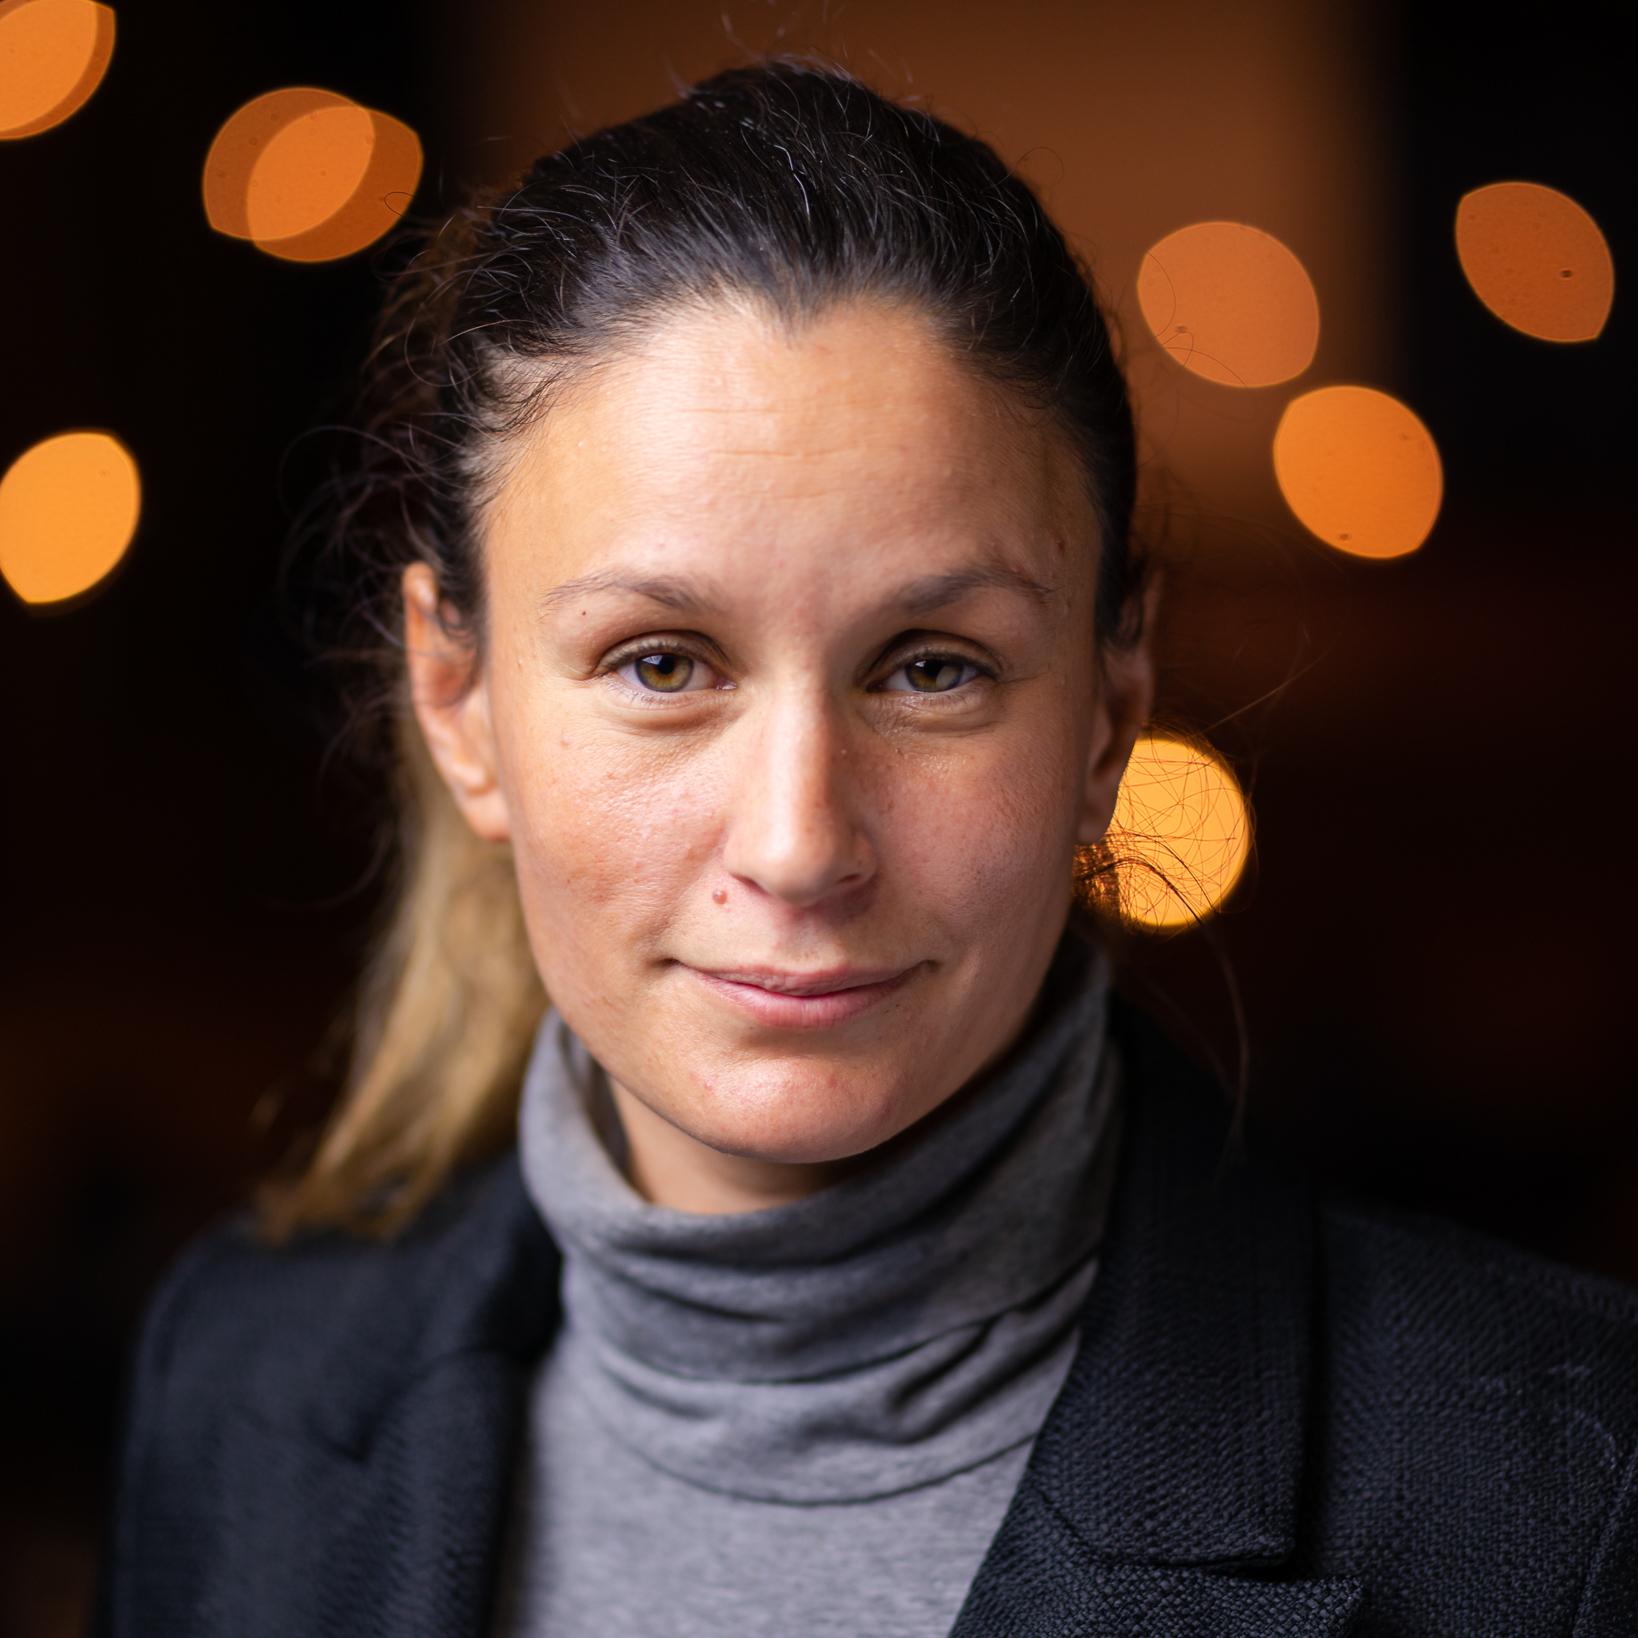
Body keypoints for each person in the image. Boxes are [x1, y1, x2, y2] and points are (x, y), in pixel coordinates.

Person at [89, 53, 1636, 1638]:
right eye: (661, 663)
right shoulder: (235, 1390)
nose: (799, 841)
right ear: (457, 697)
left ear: (1110, 710)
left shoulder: (1559, 1493)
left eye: (929, 667)